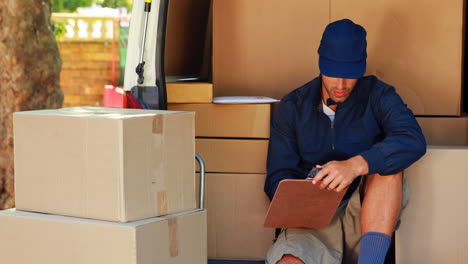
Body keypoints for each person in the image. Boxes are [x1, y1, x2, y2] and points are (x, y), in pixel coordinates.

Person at [264, 19, 426, 264]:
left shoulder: (379, 95)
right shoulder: (292, 106)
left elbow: (412, 139)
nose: (340, 85)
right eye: (333, 73)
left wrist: (356, 165)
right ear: (319, 60)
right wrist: (306, 188)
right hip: (312, 223)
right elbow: (276, 177)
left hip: (365, 216)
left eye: (350, 76)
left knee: (388, 168)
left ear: (362, 66)